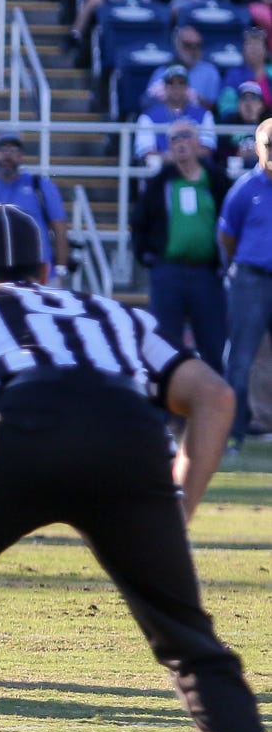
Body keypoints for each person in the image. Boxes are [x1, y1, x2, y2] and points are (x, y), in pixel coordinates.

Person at [0, 204, 269, 732]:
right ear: (46, 271)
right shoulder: (109, 313)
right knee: (190, 644)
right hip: (129, 434)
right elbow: (215, 396)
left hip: (21, 425)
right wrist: (178, 505)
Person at [132, 119, 231, 372]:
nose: (180, 143)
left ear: (198, 142)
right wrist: (147, 256)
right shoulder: (160, 183)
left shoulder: (217, 180)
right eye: (174, 139)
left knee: (213, 346)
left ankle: (213, 407)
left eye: (186, 136)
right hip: (168, 273)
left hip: (206, 275)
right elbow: (139, 220)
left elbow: (232, 220)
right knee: (165, 348)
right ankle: (166, 411)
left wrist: (225, 262)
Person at [218, 118, 272, 450]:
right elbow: (226, 236)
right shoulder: (245, 188)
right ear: (257, 148)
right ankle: (231, 435)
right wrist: (237, 267)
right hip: (251, 280)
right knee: (240, 359)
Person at [0, 131, 70, 278]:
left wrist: (60, 269)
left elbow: (60, 228)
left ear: (22, 156)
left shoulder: (41, 187)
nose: (8, 155)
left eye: (13, 150)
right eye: (2, 149)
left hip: (38, 277)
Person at [135, 64, 217, 163]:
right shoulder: (148, 117)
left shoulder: (204, 115)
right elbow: (146, 153)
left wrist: (180, 159)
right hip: (163, 172)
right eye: (171, 83)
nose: (176, 87)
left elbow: (207, 149)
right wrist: (175, 159)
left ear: (187, 87)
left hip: (196, 172)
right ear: (164, 87)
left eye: (181, 83)